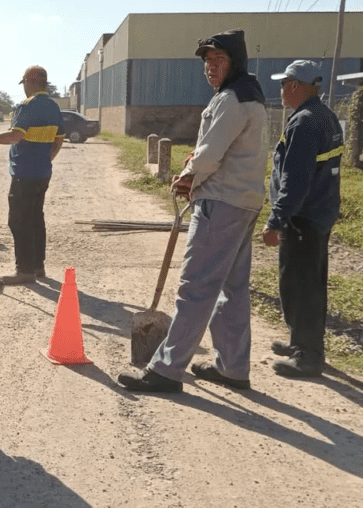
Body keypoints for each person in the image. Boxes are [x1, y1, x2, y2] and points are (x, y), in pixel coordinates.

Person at [118, 28, 268, 393]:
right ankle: (232, 366)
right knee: (231, 288)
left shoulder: (231, 99)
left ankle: (166, 370)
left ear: (235, 62)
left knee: (196, 288)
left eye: (219, 60)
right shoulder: (251, 96)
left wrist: (188, 176)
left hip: (221, 201)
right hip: (244, 201)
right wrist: (196, 169)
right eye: (207, 61)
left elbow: (211, 153)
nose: (211, 67)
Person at [262, 60, 343, 378]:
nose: (281, 90)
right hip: (319, 214)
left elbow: (296, 179)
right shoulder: (324, 116)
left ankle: (308, 357)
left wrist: (276, 220)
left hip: (302, 218)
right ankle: (302, 342)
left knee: (299, 286)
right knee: (310, 283)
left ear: (295, 85)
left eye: (284, 84)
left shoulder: (304, 123)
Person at [0, 66, 64, 284]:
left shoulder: (26, 106)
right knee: (35, 218)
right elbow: (59, 140)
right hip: (43, 173)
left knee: (19, 221)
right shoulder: (54, 107)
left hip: (24, 173)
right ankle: (37, 266)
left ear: (28, 81)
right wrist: (46, 159)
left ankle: (24, 270)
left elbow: (15, 136)